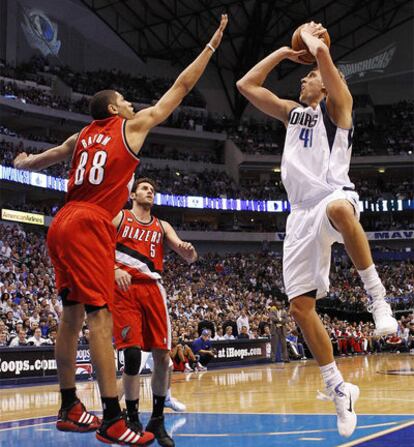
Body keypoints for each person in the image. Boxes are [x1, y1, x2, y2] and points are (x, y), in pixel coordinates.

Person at [13, 13, 227, 446]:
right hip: (91, 222)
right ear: (114, 109)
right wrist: (211, 46)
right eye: (126, 100)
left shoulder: (81, 136)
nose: (132, 104)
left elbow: (52, 154)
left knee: (70, 317)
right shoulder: (130, 127)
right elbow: (180, 88)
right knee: (100, 318)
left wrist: (24, 163)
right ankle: (112, 418)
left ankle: (70, 405)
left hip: (62, 220)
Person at [237, 21, 398, 438]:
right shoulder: (294, 114)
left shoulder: (338, 108)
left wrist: (315, 45)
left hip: (333, 195)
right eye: (305, 74)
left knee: (343, 211)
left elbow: (326, 64)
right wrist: (285, 53)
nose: (305, 77)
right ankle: (337, 388)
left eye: (309, 75)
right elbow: (245, 85)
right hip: (300, 215)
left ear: (324, 86)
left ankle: (378, 300)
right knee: (300, 308)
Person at [112, 177, 199, 447]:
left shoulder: (162, 225)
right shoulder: (120, 217)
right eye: (145, 189)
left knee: (162, 358)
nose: (150, 192)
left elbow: (186, 254)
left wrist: (188, 252)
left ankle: (157, 420)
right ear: (133, 195)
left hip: (153, 289)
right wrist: (113, 269)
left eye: (153, 190)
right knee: (133, 354)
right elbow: (97, 244)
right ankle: (133, 418)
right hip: (125, 288)